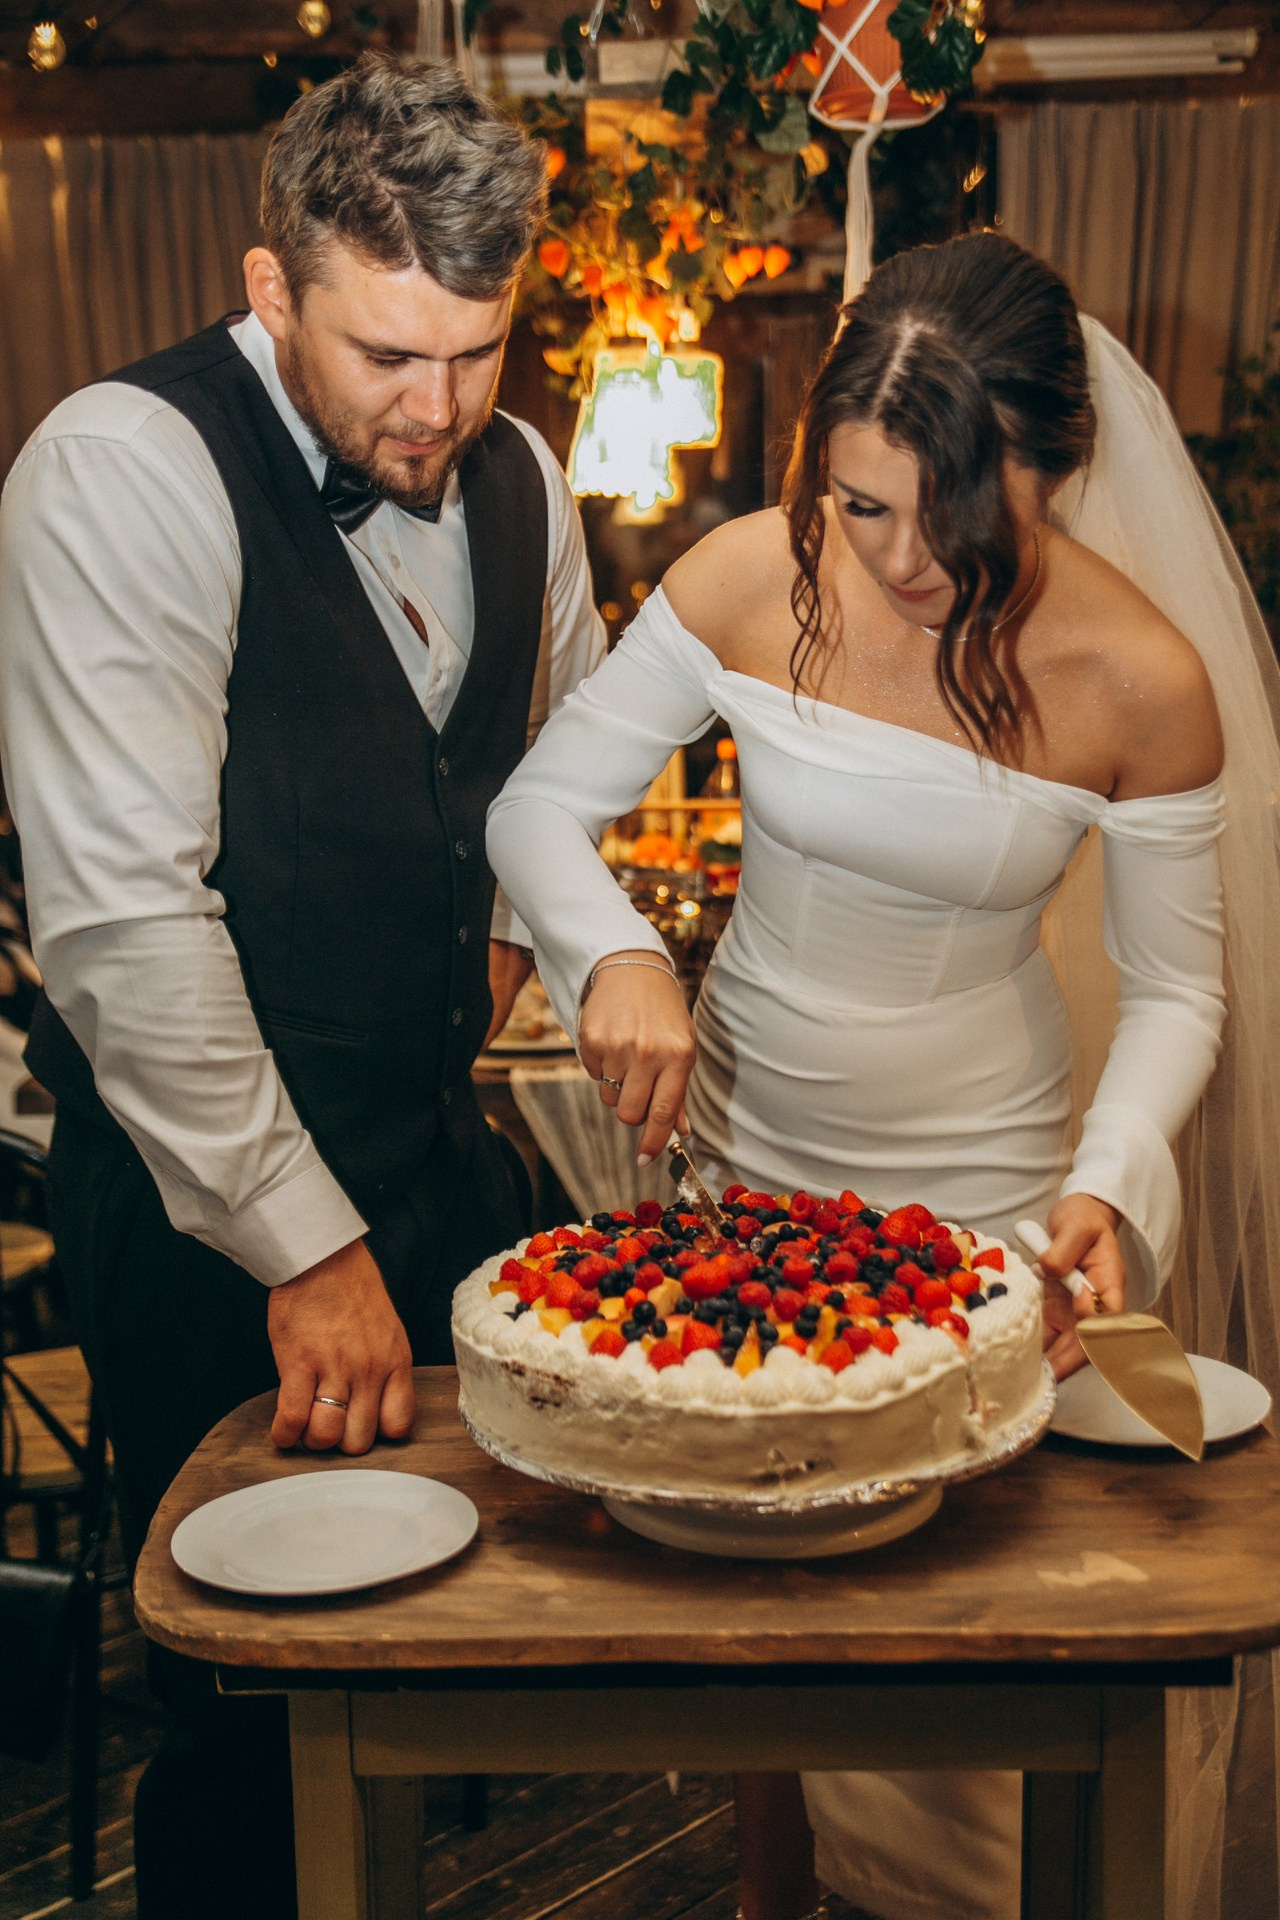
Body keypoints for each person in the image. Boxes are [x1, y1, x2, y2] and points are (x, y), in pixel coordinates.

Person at [487, 231, 1280, 1920]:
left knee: (977, 1706)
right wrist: (617, 950)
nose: (900, 562)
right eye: (856, 505)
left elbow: (1179, 989)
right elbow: (533, 812)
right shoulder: (741, 581)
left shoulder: (1143, 678)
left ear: (1054, 472)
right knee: (763, 1669)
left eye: (954, 517)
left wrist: (1109, 1179)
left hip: (992, 1194)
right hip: (746, 1177)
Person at [0, 53, 604, 1920]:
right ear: (274, 289)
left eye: (477, 350)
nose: (437, 412)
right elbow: (120, 918)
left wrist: (509, 946)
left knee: (431, 1675)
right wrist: (306, 1249)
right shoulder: (119, 466)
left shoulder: (519, 475)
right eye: (385, 359)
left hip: (433, 1159)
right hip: (208, 1212)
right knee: (254, 1708)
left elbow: (559, 764)